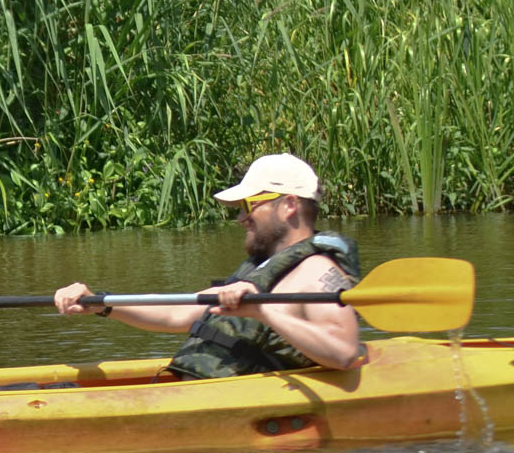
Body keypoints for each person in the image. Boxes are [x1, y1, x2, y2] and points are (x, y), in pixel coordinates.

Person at [53, 154, 363, 377]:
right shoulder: (260, 269)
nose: (240, 218)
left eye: (247, 206)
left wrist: (264, 311)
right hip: (194, 385)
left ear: (290, 205)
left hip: (229, 398)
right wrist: (101, 303)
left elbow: (344, 353)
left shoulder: (320, 272)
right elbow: (176, 312)